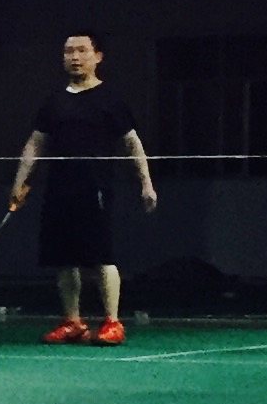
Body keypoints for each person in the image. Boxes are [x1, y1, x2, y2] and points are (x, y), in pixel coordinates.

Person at [9, 32, 158, 343]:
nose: (74, 57)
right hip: (59, 188)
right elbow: (35, 143)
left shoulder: (110, 99)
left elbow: (133, 143)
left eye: (81, 51)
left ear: (98, 56)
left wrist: (146, 183)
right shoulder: (54, 101)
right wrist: (20, 181)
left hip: (96, 187)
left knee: (102, 256)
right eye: (68, 52)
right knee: (64, 258)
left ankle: (113, 322)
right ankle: (73, 322)